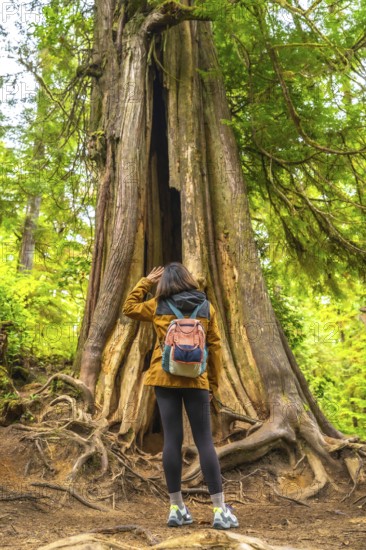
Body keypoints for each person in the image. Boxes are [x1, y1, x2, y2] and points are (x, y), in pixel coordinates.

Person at [122, 262, 239, 530]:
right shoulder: (206, 307)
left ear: (165, 283)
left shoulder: (157, 305)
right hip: (197, 380)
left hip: (164, 379)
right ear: (188, 280)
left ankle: (176, 508)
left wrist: (146, 281)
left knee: (171, 442)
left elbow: (128, 308)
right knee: (204, 443)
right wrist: (212, 384)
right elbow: (216, 347)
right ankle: (220, 511)